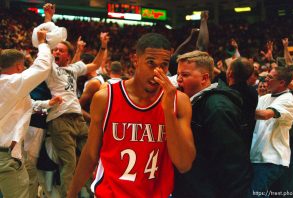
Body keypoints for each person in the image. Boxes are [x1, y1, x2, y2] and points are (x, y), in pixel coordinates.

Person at [67, 33, 196, 198]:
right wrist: (71, 193)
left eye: (163, 65)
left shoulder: (179, 101)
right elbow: (91, 154)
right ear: (135, 59)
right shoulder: (106, 98)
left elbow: (184, 164)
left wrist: (168, 112)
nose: (157, 71)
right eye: (150, 63)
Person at [40, 3, 110, 197]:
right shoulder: (49, 69)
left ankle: (89, 191)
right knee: (69, 163)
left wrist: (103, 45)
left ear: (68, 56)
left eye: (60, 51)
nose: (56, 52)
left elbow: (96, 63)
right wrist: (48, 18)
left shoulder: (73, 68)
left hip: (78, 120)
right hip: (60, 119)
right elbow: (44, 41)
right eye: (55, 50)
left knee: (92, 155)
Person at [174, 50, 252, 198]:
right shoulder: (195, 101)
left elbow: (232, 165)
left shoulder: (217, 108)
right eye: (178, 74)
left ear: (204, 78)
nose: (178, 79)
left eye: (184, 75)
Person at [0, 30, 51, 198]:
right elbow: (43, 67)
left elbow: (22, 106)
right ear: (19, 66)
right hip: (4, 156)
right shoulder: (11, 83)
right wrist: (43, 43)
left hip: (11, 153)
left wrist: (47, 104)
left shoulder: (10, 88)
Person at [249, 67, 293, 197]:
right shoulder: (265, 97)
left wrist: (238, 109)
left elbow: (265, 115)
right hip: (259, 157)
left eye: (270, 78)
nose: (266, 80)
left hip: (271, 159)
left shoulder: (288, 99)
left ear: (281, 82)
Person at [226, 57, 258, 150]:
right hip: (247, 142)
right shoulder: (253, 92)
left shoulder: (226, 94)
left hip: (229, 144)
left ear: (230, 73)